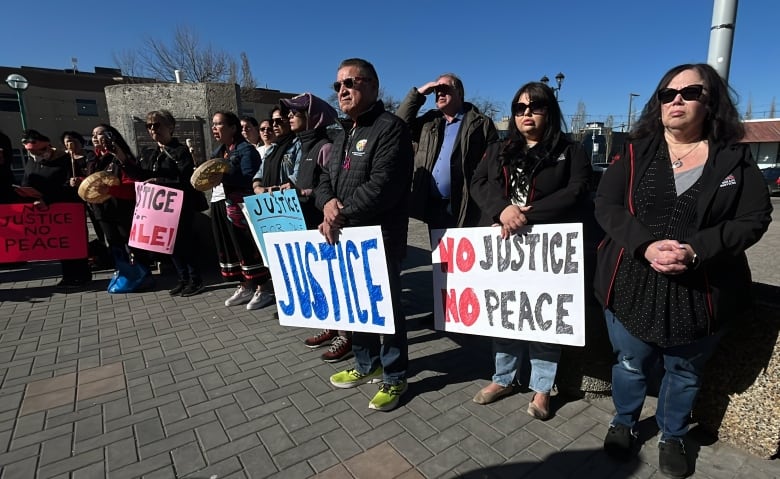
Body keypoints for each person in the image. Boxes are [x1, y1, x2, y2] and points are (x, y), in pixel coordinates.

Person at [594, 63, 772, 478]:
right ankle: (623, 421)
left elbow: (754, 217)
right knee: (630, 363)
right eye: (667, 94)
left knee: (685, 370)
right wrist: (645, 245)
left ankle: (672, 434)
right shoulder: (635, 150)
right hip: (632, 284)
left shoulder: (734, 159)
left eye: (691, 93)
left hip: (701, 292)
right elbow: (607, 205)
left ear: (710, 103)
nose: (677, 100)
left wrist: (696, 250)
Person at [469, 82, 595, 421]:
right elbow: (479, 183)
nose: (526, 113)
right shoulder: (500, 148)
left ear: (549, 111)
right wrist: (502, 210)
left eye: (535, 107)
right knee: (508, 314)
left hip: (548, 248)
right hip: (505, 243)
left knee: (544, 319)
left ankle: (542, 388)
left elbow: (578, 189)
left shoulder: (571, 150)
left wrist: (525, 214)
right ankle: (504, 378)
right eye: (520, 107)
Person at [316, 58, 414, 411]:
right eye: (337, 85)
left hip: (379, 238)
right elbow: (324, 179)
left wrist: (336, 216)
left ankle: (395, 376)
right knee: (354, 304)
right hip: (344, 238)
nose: (342, 90)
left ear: (372, 86)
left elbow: (382, 188)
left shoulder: (391, 129)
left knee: (384, 308)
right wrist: (327, 205)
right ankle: (365, 362)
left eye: (351, 83)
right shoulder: (342, 132)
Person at [275, 92, 352, 363]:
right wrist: (293, 188)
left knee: (335, 280)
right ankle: (332, 326)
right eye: (289, 114)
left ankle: (347, 335)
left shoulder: (325, 146)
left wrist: (303, 192)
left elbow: (329, 185)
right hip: (307, 221)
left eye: (295, 113)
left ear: (312, 117)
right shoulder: (303, 145)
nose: (289, 118)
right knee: (320, 278)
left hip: (324, 224)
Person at [396, 73, 498, 229]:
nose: (439, 93)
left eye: (445, 88)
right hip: (427, 202)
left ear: (460, 93)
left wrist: (495, 208)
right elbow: (398, 126)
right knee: (430, 252)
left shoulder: (481, 123)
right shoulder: (429, 121)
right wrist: (419, 94)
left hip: (463, 204)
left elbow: (493, 166)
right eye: (436, 90)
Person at [138, 110, 208, 296]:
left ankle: (196, 280)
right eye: (149, 126)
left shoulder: (180, 151)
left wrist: (159, 182)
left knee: (185, 244)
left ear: (170, 127)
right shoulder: (150, 153)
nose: (153, 129)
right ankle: (183, 279)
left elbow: (186, 180)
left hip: (180, 207)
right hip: (159, 209)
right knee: (169, 245)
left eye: (157, 125)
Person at [209, 111, 272, 309]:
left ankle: (263, 289)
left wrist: (224, 177)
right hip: (226, 204)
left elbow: (249, 177)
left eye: (219, 124)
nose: (214, 128)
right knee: (233, 248)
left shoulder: (246, 150)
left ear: (232, 128)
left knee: (248, 247)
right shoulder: (220, 150)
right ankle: (245, 285)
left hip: (244, 208)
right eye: (213, 124)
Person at [20, 129, 92, 287]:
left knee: (74, 242)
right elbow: (27, 180)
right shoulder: (32, 161)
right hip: (46, 209)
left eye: (37, 151)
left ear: (46, 148)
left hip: (67, 206)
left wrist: (48, 198)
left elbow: (69, 185)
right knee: (62, 244)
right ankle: (68, 275)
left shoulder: (66, 160)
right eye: (31, 153)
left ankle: (81, 274)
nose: (35, 156)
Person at [90, 124, 153, 290]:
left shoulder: (120, 157)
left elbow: (133, 185)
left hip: (122, 209)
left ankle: (142, 275)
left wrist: (111, 190)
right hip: (102, 210)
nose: (96, 137)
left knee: (133, 244)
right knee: (114, 244)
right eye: (93, 135)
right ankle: (125, 276)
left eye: (100, 134)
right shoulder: (94, 160)